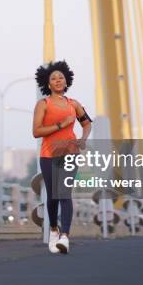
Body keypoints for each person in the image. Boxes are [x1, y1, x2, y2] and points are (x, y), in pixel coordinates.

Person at [32, 60, 92, 254]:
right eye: (54, 78)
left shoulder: (74, 104)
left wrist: (83, 138)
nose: (58, 80)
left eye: (61, 78)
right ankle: (53, 230)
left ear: (66, 82)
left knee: (64, 193)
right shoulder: (43, 104)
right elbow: (36, 131)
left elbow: (87, 123)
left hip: (70, 153)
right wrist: (61, 125)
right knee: (53, 196)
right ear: (48, 84)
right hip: (48, 154)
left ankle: (65, 237)